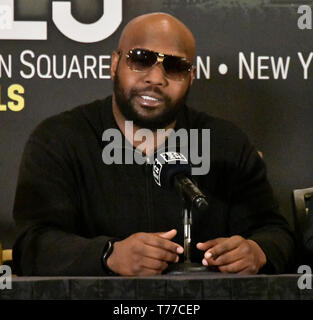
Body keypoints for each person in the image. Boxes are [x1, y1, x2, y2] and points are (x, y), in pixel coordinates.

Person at [12, 13, 295, 276]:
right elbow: (32, 244)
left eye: (175, 67)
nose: (156, 78)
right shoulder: (60, 138)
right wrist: (107, 255)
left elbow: (274, 232)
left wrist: (257, 252)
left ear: (191, 77)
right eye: (140, 59)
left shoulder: (226, 143)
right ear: (114, 64)